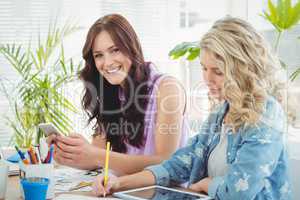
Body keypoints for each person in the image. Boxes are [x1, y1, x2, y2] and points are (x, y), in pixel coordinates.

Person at [92, 17, 292, 200]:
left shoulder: (267, 114)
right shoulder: (221, 112)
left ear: (244, 71)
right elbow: (180, 163)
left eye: (218, 71)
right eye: (204, 68)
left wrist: (208, 184)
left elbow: (241, 190)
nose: (207, 79)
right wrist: (119, 183)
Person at [47, 14, 188, 174]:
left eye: (115, 50)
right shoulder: (112, 91)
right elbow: (97, 158)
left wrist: (95, 155)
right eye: (98, 55)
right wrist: (68, 154)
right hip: (126, 189)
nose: (107, 63)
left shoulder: (167, 88)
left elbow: (165, 162)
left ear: (131, 48)